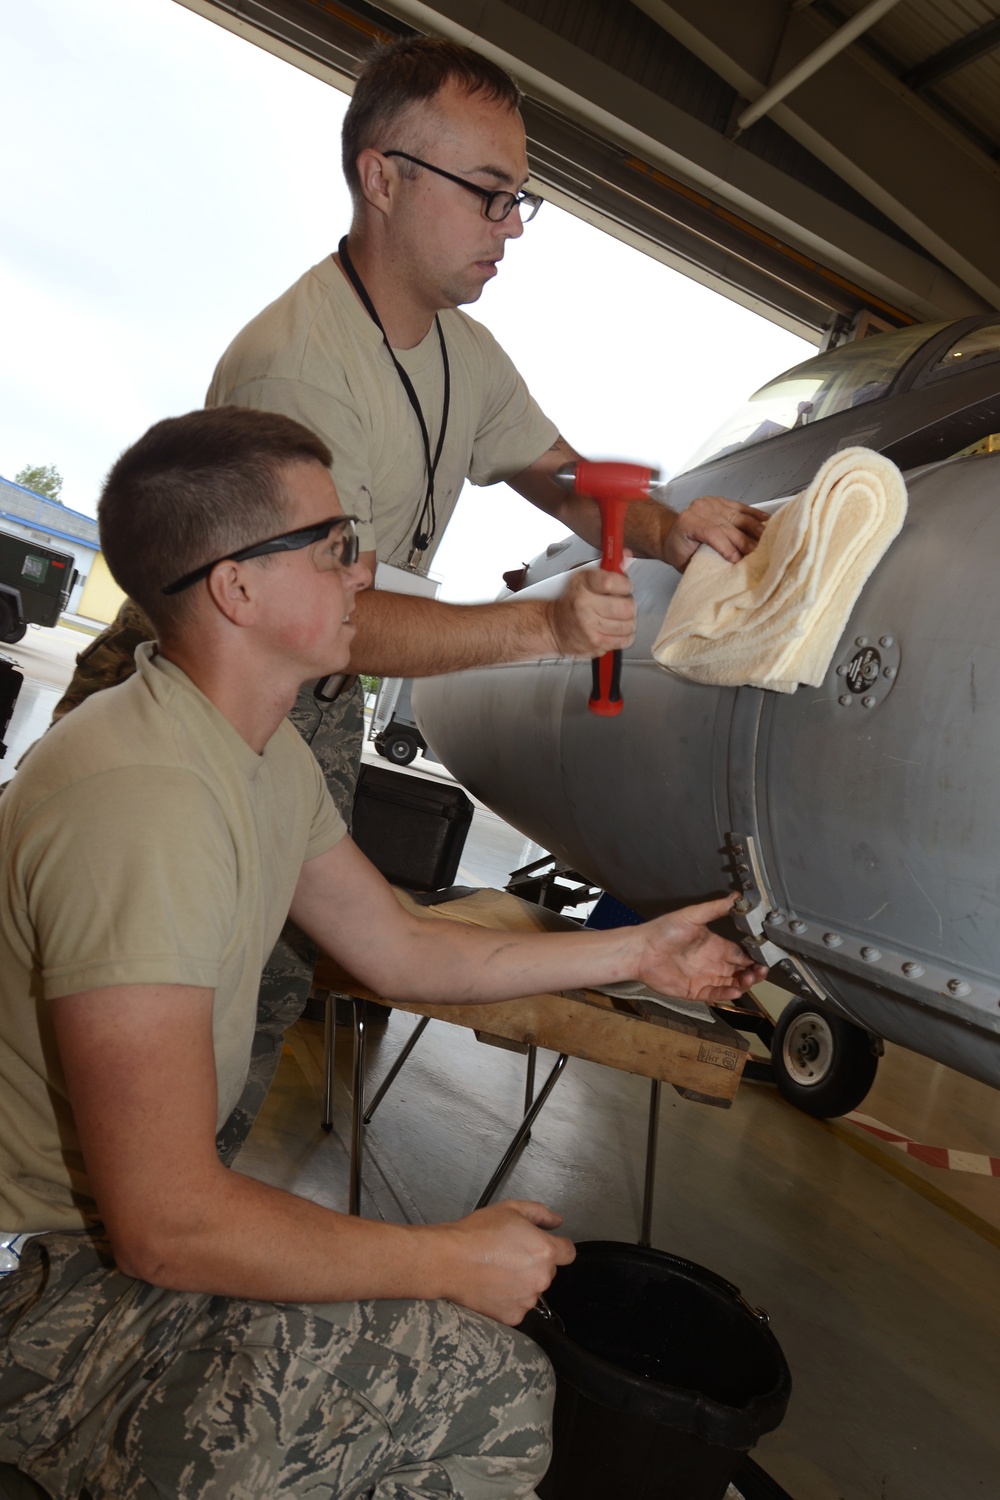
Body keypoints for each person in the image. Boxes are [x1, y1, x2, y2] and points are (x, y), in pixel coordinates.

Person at [0, 407, 766, 1499]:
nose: (365, 571)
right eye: (332, 544)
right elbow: (167, 1227)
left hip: (93, 1246)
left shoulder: (246, 756)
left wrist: (637, 956)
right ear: (237, 589)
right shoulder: (147, 803)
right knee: (484, 1390)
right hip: (34, 1290)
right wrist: (447, 1260)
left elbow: (401, 950)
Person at [50, 36, 769, 1163]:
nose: (507, 230)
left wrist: (676, 527)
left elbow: (556, 473)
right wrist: (539, 627)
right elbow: (318, 616)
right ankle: (104, 1240)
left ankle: (182, 1208)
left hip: (307, 699)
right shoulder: (301, 366)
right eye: (489, 196)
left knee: (268, 983)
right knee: (167, 984)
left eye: (518, 200)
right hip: (224, 681)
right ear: (382, 177)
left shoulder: (461, 355)